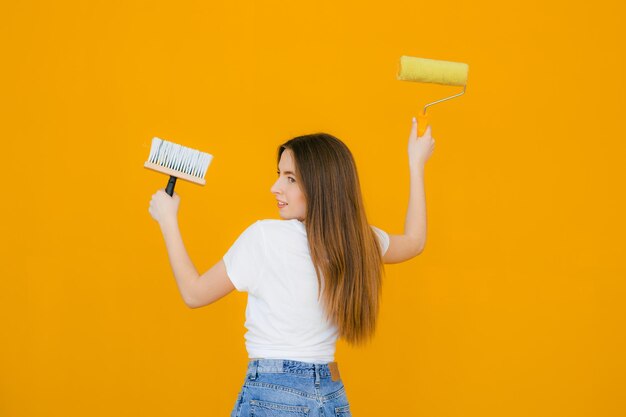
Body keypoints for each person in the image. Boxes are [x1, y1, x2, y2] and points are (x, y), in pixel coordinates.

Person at [148, 117, 434, 416]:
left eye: (290, 178)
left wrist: (168, 221)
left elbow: (194, 294)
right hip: (331, 394)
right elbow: (415, 241)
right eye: (279, 175)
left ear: (319, 185)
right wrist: (416, 164)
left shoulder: (265, 237)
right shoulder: (357, 241)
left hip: (273, 391)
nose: (275, 187)